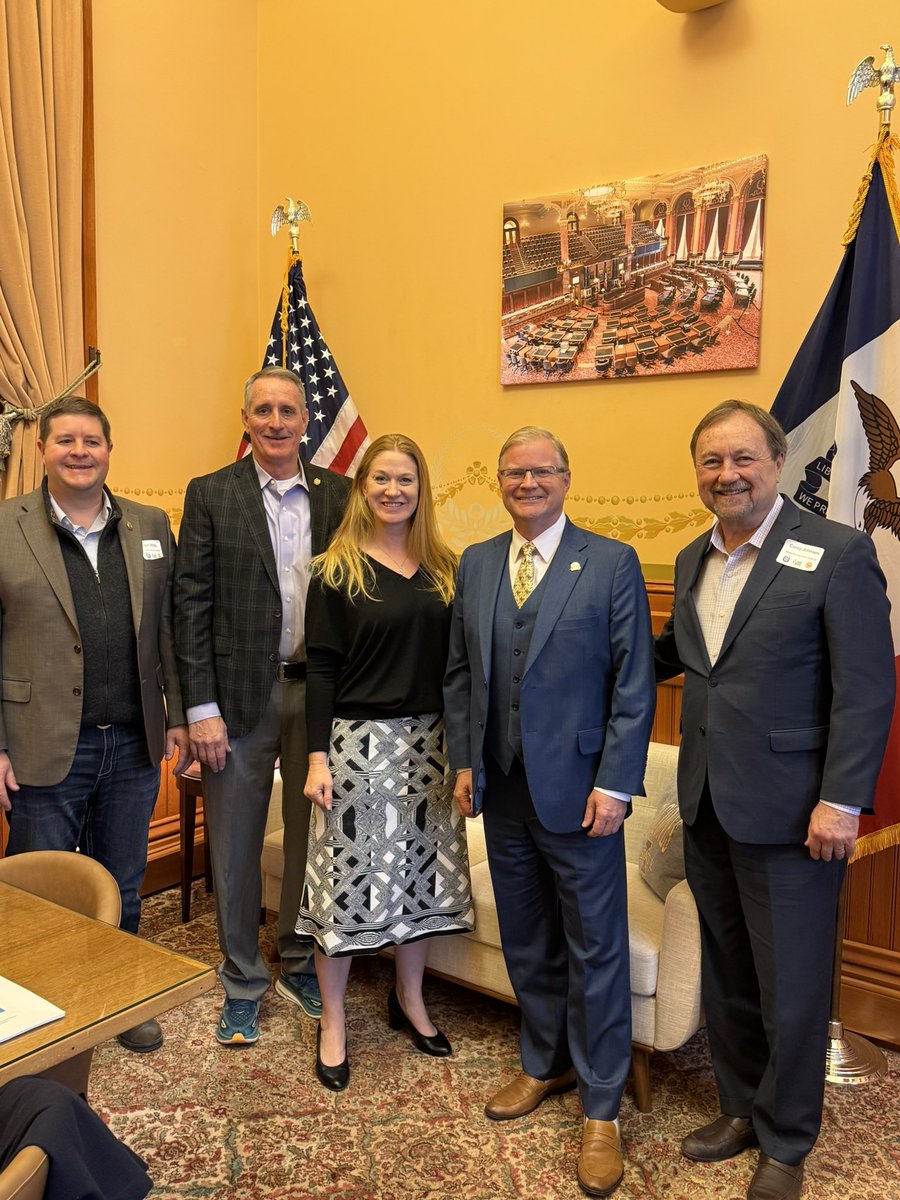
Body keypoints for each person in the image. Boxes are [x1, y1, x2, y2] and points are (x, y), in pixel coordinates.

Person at [655, 401, 895, 1200]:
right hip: (709, 804)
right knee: (728, 974)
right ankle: (740, 1109)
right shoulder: (691, 560)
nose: (727, 475)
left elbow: (864, 690)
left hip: (798, 814)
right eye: (711, 461)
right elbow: (677, 658)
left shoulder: (837, 553)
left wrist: (842, 801)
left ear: (778, 462)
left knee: (791, 986)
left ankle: (788, 1141)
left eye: (742, 459)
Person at [443, 426, 655, 1198]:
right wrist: (465, 760)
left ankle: (603, 1109)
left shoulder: (610, 562)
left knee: (596, 951)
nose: (527, 482)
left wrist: (617, 783)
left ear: (566, 478)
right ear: (500, 482)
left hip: (583, 797)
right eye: (513, 472)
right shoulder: (476, 563)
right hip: (502, 789)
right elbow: (460, 674)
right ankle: (545, 1063)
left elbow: (634, 685)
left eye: (541, 471)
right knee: (528, 938)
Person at [0, 396, 188, 1055]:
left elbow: (168, 630)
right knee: (38, 891)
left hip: (134, 740)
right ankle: (40, 1012)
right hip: (41, 743)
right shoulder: (6, 525)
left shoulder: (148, 524)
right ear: (44, 450)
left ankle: (116, 999)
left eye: (92, 441)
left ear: (110, 450)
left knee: (122, 882)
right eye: (65, 441)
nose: (80, 452)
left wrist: (178, 716)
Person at [174, 367, 350, 1046]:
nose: (277, 422)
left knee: (314, 840)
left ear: (306, 420)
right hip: (236, 699)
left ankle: (300, 959)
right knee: (237, 844)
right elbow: (189, 605)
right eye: (263, 411)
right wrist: (199, 709)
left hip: (321, 692)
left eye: (288, 411)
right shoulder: (212, 493)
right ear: (245, 419)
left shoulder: (339, 493)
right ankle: (242, 979)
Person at [299, 433, 473, 1092]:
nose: (394, 491)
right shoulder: (333, 569)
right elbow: (320, 668)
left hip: (431, 748)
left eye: (406, 480)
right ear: (362, 488)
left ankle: (411, 1001)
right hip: (354, 747)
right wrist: (317, 756)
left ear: (420, 490)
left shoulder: (446, 569)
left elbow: (460, 668)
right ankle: (335, 1021)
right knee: (343, 893)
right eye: (382, 480)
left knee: (423, 884)